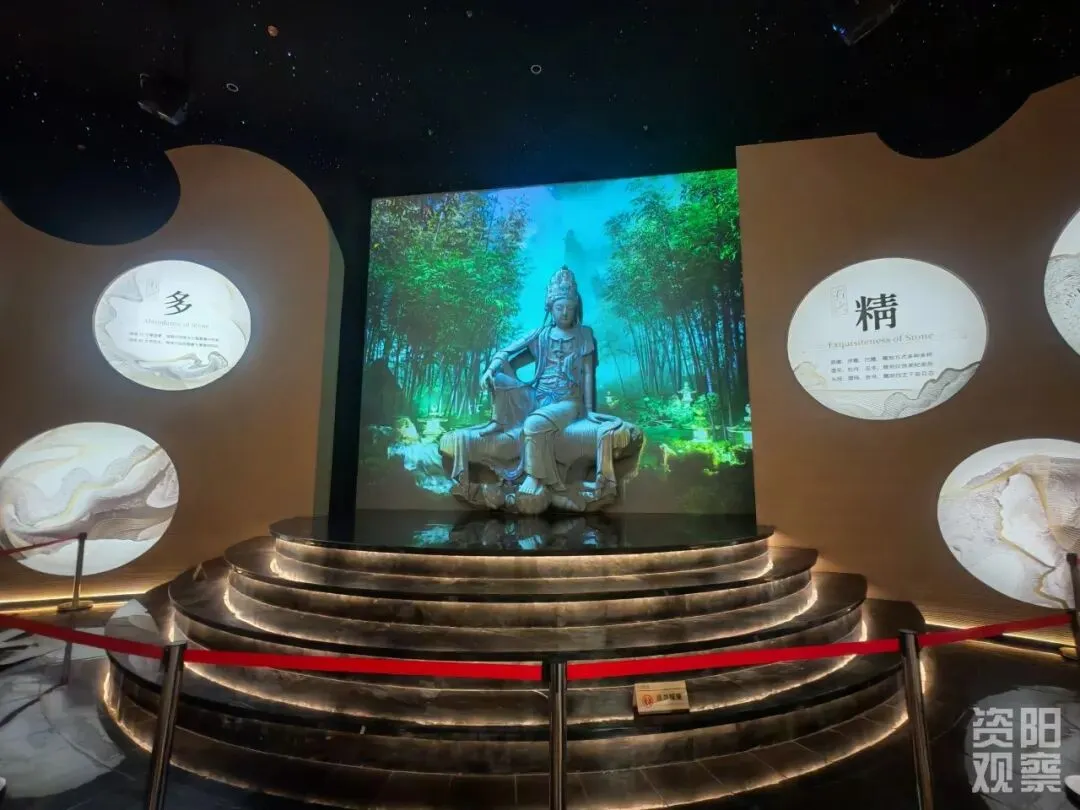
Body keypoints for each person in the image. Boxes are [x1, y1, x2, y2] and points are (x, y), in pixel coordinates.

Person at [476, 266, 617, 497]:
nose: (564, 313)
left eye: (569, 308)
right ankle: (498, 421)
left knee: (533, 424)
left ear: (576, 309)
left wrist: (590, 411)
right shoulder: (541, 335)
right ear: (550, 308)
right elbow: (507, 352)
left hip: (566, 401)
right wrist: (490, 370)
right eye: (559, 308)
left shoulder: (584, 335)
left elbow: (588, 374)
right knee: (499, 378)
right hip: (538, 396)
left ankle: (535, 476)